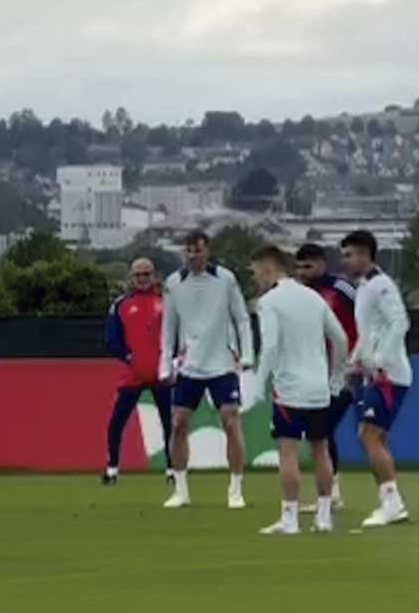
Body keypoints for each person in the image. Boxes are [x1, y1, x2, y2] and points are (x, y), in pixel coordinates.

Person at [247, 247, 349, 536]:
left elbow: (270, 347)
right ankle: (324, 516)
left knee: (288, 451)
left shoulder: (269, 302)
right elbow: (340, 338)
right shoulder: (313, 297)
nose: (256, 279)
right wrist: (336, 375)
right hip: (319, 388)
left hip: (289, 389)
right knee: (321, 449)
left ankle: (290, 519)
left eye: (256, 272)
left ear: (268, 269)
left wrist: (257, 387)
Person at [159, 229, 255, 510]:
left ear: (207, 250)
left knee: (231, 420)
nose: (192, 256)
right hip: (190, 366)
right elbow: (168, 329)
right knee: (178, 425)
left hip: (222, 364)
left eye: (197, 250)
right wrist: (165, 364)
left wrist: (246, 355)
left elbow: (241, 318)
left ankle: (235, 490)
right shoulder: (174, 283)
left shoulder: (225, 279)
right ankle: (181, 490)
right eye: (188, 251)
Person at [340, 230, 414, 528]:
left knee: (368, 435)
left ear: (365, 255)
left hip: (388, 376)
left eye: (349, 255)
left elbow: (400, 322)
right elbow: (369, 331)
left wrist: (381, 361)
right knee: (374, 437)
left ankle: (392, 503)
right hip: (374, 374)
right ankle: (390, 502)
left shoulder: (381, 285)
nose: (345, 261)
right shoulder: (365, 287)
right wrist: (354, 362)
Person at [295, 243, 360, 509]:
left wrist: (359, 357)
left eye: (308, 266)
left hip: (346, 370)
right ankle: (331, 491)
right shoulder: (300, 293)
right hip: (315, 372)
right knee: (320, 432)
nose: (303, 272)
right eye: (299, 267)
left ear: (322, 264)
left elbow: (367, 315)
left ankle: (333, 492)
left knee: (323, 430)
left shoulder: (341, 289)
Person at [102, 258, 174, 486]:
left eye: (147, 274)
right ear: (132, 278)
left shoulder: (167, 302)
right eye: (138, 275)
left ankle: (173, 470)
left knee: (169, 423)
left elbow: (178, 333)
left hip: (161, 374)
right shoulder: (121, 304)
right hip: (132, 375)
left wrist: (172, 360)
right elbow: (111, 339)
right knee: (116, 422)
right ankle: (112, 469)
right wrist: (128, 356)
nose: (143, 279)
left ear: (154, 276)